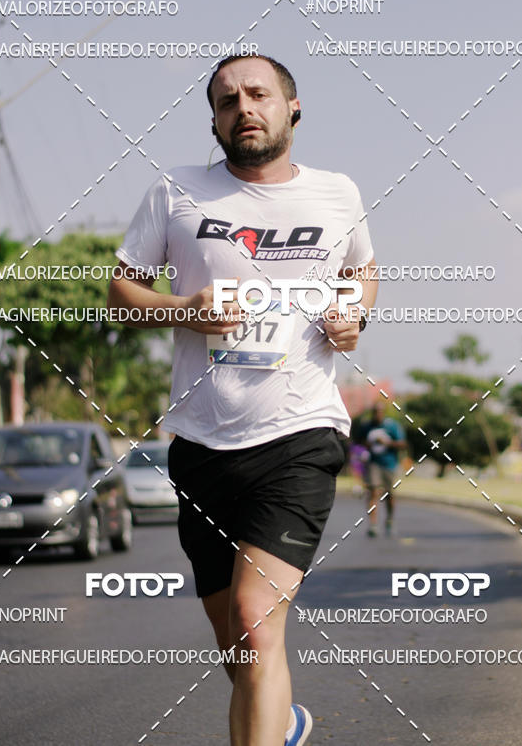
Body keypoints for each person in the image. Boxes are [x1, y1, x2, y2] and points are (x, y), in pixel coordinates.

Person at [107, 54, 378, 746]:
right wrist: (183, 310)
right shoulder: (176, 191)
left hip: (300, 433)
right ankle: (282, 723)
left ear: (293, 108)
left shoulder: (336, 193)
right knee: (238, 641)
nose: (243, 108)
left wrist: (354, 312)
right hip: (202, 442)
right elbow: (120, 295)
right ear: (214, 122)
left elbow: (362, 270)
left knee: (257, 625)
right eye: (227, 101)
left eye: (258, 94)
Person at [359, 402, 406, 536]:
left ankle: (390, 519)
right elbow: (359, 441)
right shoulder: (367, 426)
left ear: (383, 413)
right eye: (375, 412)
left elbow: (403, 444)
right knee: (373, 491)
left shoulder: (392, 426)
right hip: (373, 463)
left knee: (389, 494)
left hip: (389, 464)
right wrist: (367, 444)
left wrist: (387, 443)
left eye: (379, 412)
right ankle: (373, 524)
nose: (377, 415)